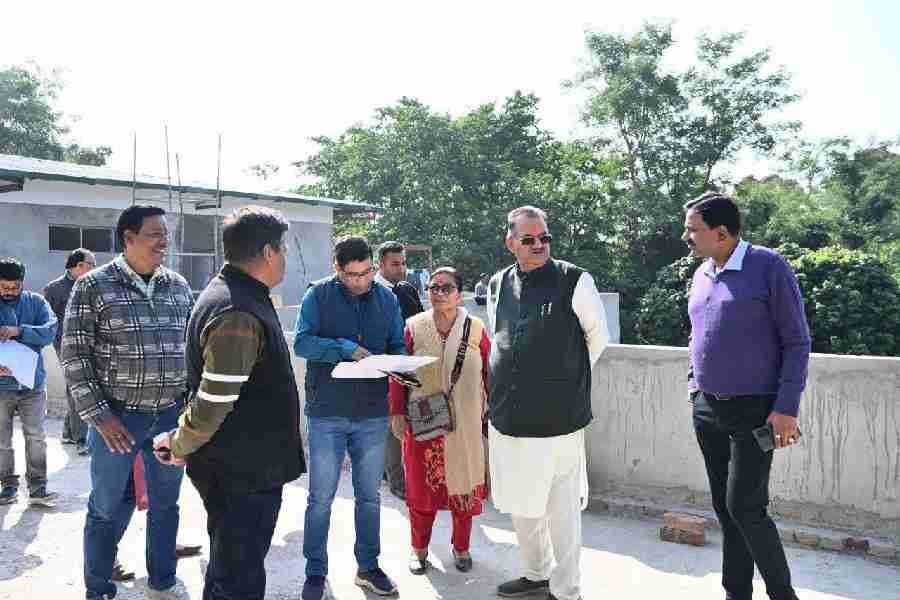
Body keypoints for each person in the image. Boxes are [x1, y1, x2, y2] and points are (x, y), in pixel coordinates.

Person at [154, 206, 305, 600]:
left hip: (241, 467)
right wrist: (180, 443)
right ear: (268, 252)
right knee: (238, 578)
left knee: (229, 567)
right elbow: (213, 400)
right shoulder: (237, 310)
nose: (285, 257)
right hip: (243, 472)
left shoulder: (238, 296)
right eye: (283, 249)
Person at [62, 204, 193, 600]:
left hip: (169, 417)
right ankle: (99, 588)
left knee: (166, 504)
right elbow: (75, 356)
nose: (163, 241)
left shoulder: (178, 286)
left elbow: (192, 350)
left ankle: (162, 582)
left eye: (165, 234)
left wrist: (188, 412)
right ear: (129, 238)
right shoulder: (94, 286)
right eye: (154, 234)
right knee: (105, 507)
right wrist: (100, 417)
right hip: (117, 421)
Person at [683, 191, 809, 600]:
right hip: (707, 407)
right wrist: (694, 385)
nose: (686, 236)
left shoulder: (768, 266)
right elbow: (698, 333)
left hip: (755, 409)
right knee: (725, 508)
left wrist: (786, 408)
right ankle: (736, 593)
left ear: (721, 233)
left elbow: (796, 341)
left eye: (692, 229)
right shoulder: (703, 273)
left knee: (746, 508)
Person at [487, 206, 609, 600]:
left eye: (545, 237)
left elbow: (598, 338)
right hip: (508, 415)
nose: (539, 244)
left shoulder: (574, 280)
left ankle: (567, 589)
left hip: (559, 418)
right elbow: (499, 335)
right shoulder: (498, 283)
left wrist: (561, 380)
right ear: (510, 243)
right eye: (529, 239)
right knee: (521, 503)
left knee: (561, 510)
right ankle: (535, 573)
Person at [294, 236, 406, 600]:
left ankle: (368, 567)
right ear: (337, 269)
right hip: (327, 411)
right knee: (320, 498)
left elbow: (396, 344)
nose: (360, 281)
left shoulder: (387, 299)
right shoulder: (317, 296)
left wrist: (399, 364)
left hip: (372, 412)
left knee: (369, 497)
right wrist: (343, 348)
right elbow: (302, 343)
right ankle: (315, 572)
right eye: (352, 275)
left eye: (366, 273)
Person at [388, 267, 490, 574]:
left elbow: (490, 371)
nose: (439, 293)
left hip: (466, 425)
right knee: (421, 492)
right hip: (424, 421)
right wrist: (397, 412)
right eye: (434, 287)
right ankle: (419, 550)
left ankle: (461, 548)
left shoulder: (475, 329)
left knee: (463, 488)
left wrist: (492, 412)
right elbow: (399, 372)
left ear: (460, 294)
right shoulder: (413, 327)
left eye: (447, 288)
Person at [0, 257, 58, 507]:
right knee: (2, 441)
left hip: (32, 384)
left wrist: (20, 331)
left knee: (35, 437)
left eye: (15, 287)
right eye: (4, 287)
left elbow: (50, 331)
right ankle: (8, 487)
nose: (10, 292)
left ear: (22, 283)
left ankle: (38, 487)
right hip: (1, 387)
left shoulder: (36, 302)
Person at [375, 241, 425, 500]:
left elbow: (422, 322)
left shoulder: (407, 290)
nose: (402, 268)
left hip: (412, 364)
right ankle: (397, 480)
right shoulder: (369, 292)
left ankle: (412, 473)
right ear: (380, 264)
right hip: (385, 367)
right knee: (391, 425)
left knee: (415, 418)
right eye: (395, 264)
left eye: (403, 263)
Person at [43, 248, 96, 456]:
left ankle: (68, 432)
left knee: (74, 386)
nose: (94, 268)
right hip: (66, 346)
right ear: (79, 265)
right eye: (91, 264)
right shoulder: (54, 289)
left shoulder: (92, 286)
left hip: (90, 344)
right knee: (78, 387)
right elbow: (46, 319)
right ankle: (81, 439)